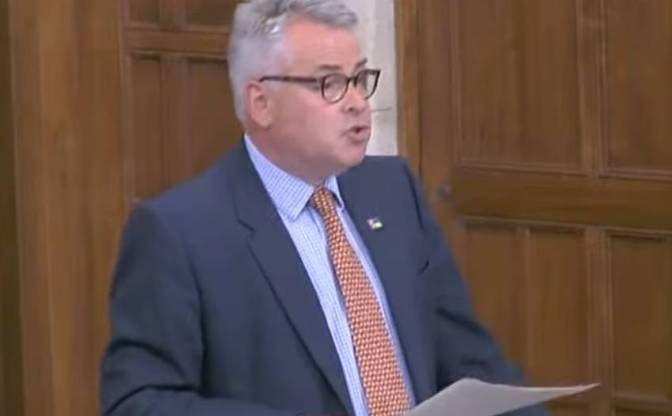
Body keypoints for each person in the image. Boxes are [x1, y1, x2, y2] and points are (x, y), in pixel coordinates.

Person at [100, 1, 545, 415]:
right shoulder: (179, 233)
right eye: (330, 83)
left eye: (360, 78)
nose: (357, 102)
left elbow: (469, 357)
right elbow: (139, 402)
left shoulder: (394, 191)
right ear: (261, 102)